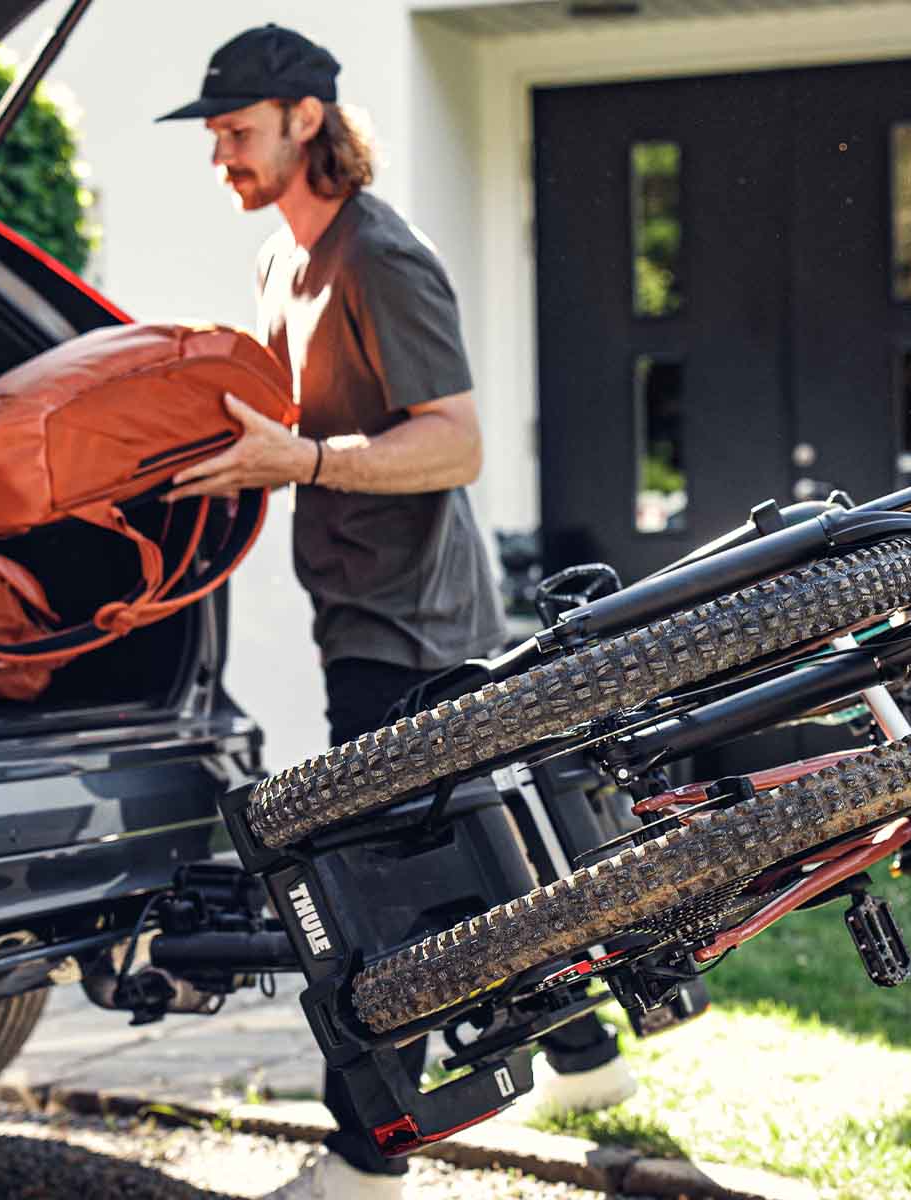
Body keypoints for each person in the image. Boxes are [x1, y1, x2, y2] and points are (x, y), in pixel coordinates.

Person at [160, 24, 634, 1200]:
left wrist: (306, 463)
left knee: (379, 899)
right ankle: (584, 1059)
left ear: (304, 120)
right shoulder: (286, 262)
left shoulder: (381, 255)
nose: (220, 154)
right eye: (215, 135)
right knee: (465, 863)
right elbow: (281, 433)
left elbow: (455, 443)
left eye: (235, 131)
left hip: (416, 624)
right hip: (357, 608)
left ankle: (366, 1162)